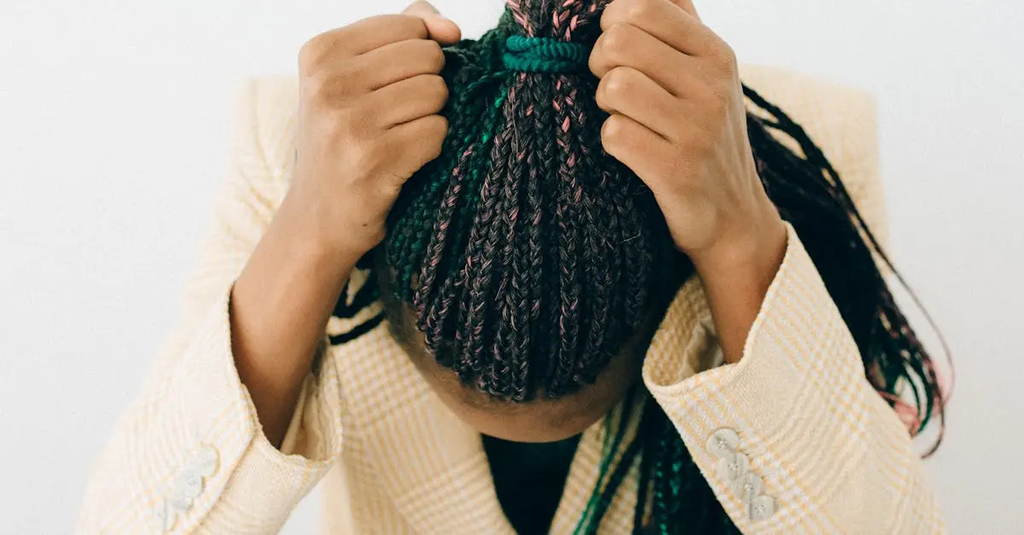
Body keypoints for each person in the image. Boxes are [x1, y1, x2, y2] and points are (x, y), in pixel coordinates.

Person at [78, 0, 949, 533]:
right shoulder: (296, 151)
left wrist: (740, 241)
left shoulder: (808, 153)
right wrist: (306, 233)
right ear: (376, 267)